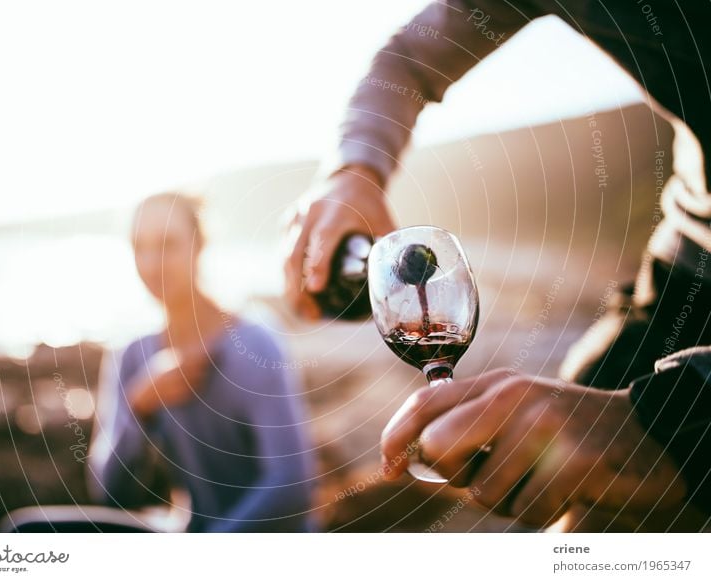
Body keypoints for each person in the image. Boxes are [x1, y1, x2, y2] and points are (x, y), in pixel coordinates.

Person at [284, 0, 710, 529]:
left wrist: (679, 419)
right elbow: (412, 57)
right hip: (688, 264)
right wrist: (355, 168)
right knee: (574, 461)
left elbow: (666, 425)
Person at [89, 192, 316, 532]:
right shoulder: (133, 354)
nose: (152, 263)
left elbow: (292, 487)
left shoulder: (255, 344)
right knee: (26, 531)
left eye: (167, 244)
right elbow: (107, 491)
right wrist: (139, 406)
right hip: (188, 532)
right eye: (140, 247)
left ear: (199, 245)